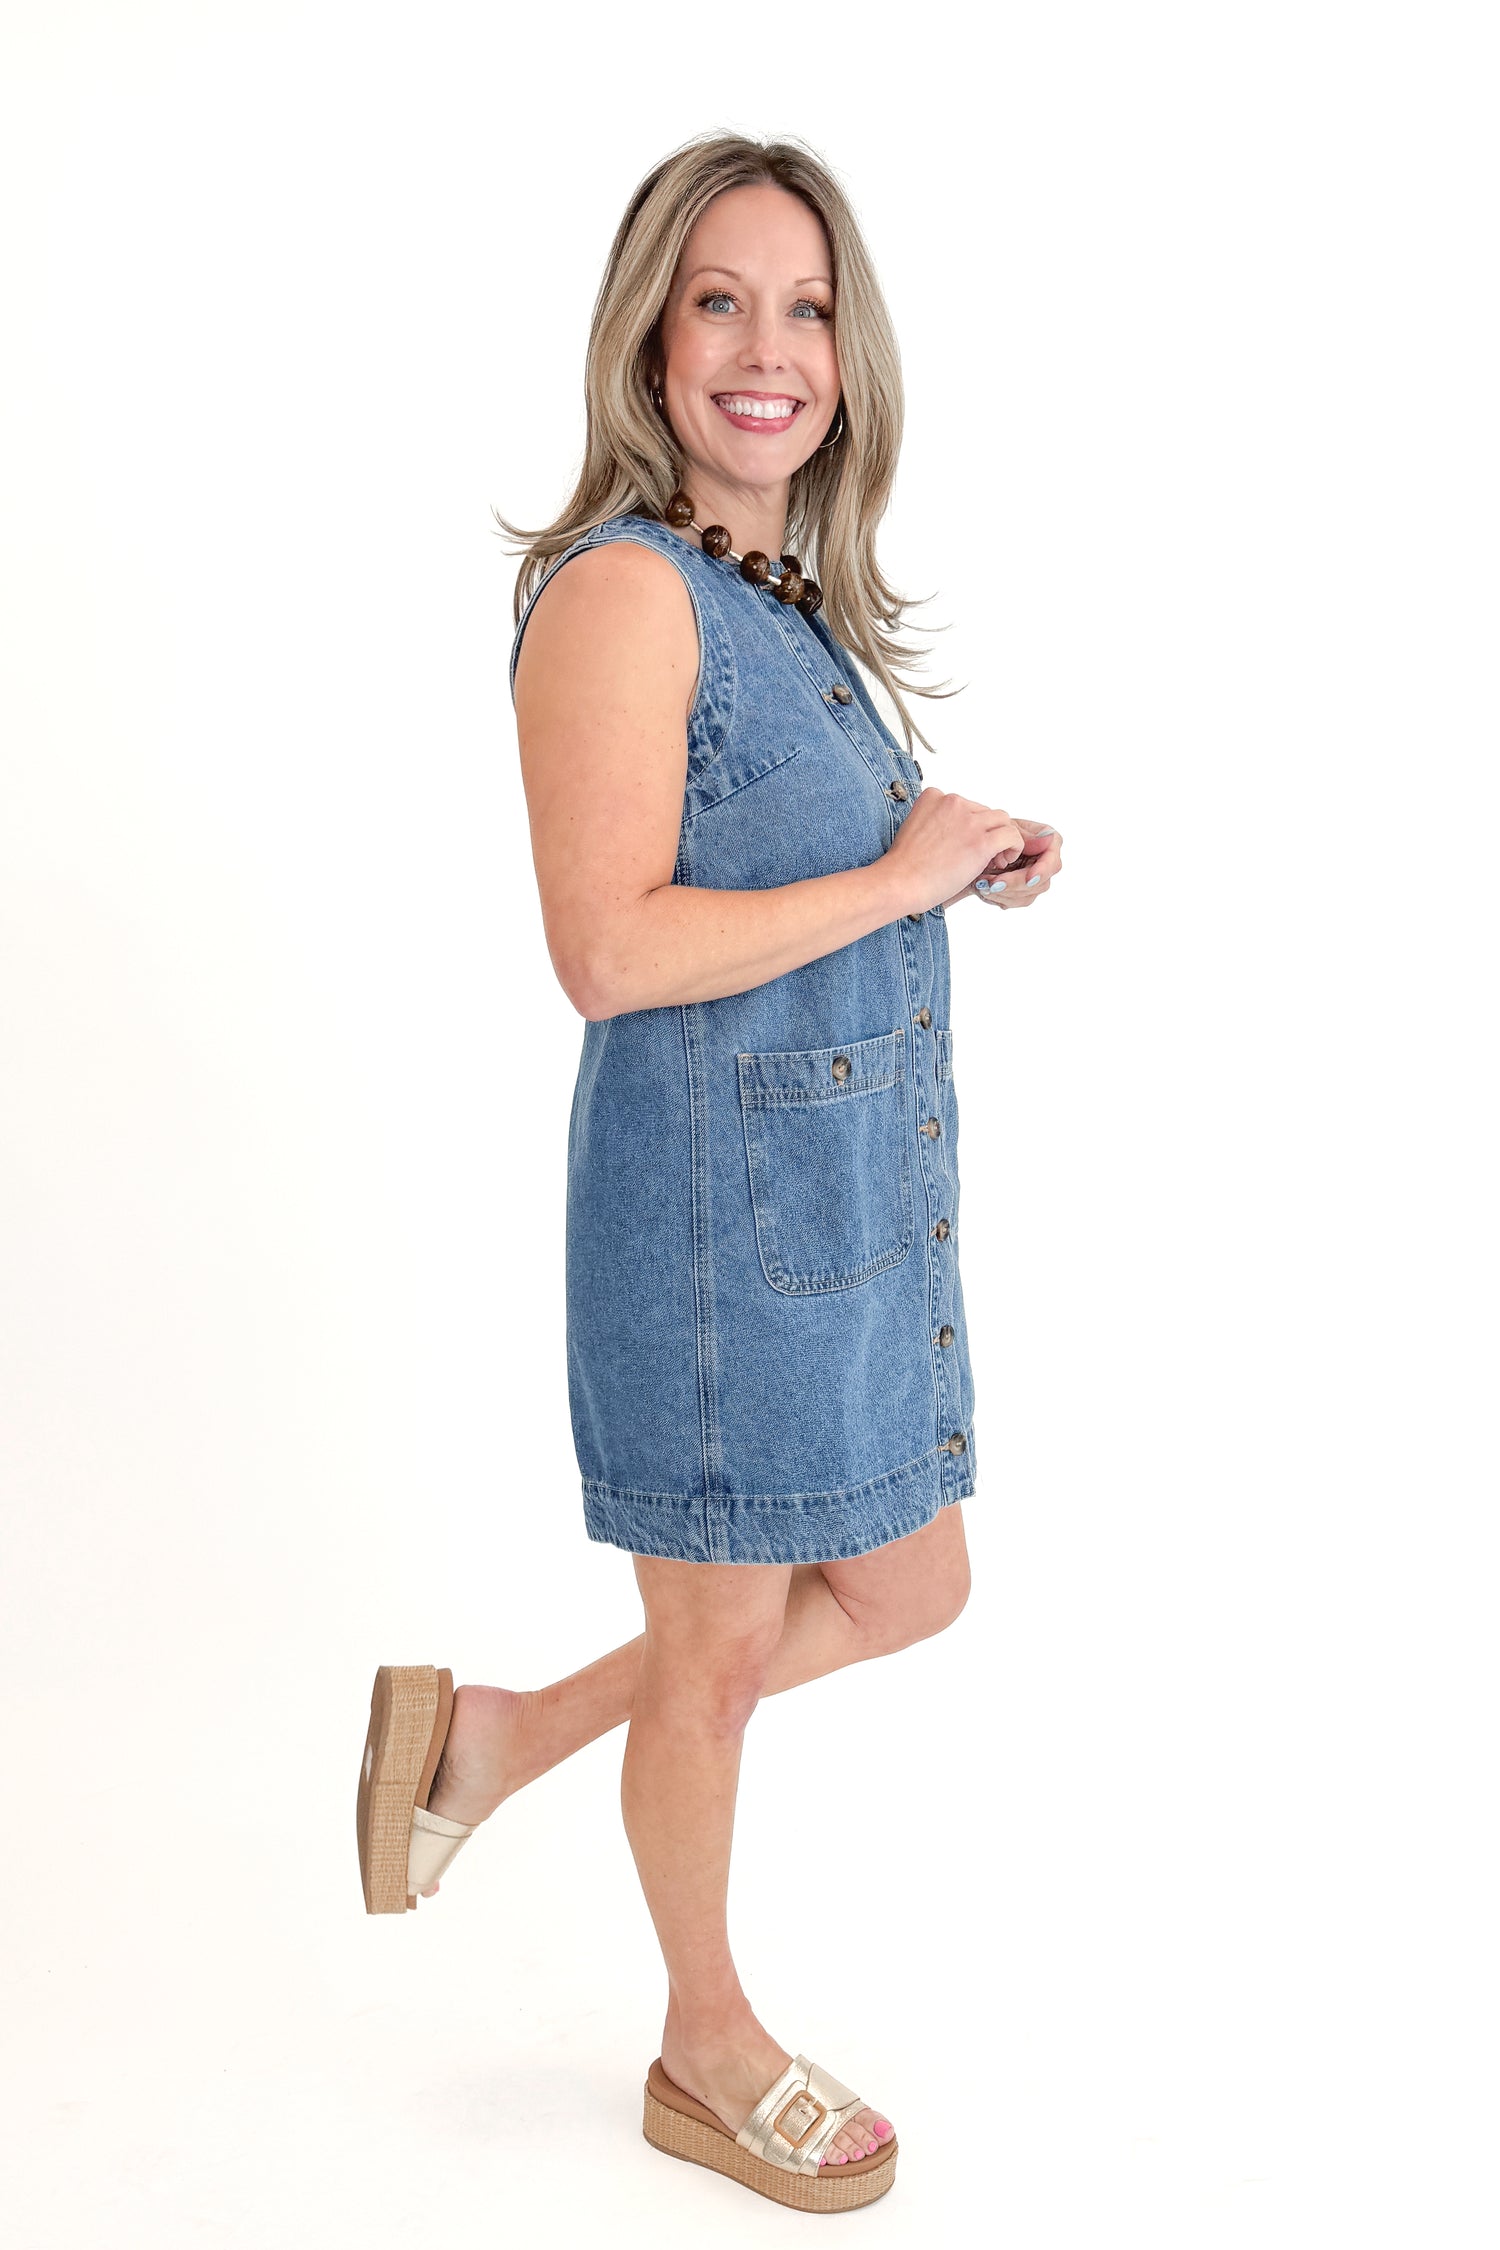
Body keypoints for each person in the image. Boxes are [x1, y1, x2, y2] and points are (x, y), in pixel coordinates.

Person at [356, 130, 1062, 2215]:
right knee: (722, 1664)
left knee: (905, 1587)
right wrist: (891, 873)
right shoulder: (618, 594)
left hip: (833, 1228)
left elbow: (797, 884)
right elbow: (611, 949)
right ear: (651, 340)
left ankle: (482, 1744)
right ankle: (701, 2040)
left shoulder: (784, 603)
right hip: (710, 1240)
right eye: (723, 302)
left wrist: (951, 858)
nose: (772, 348)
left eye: (810, 304)